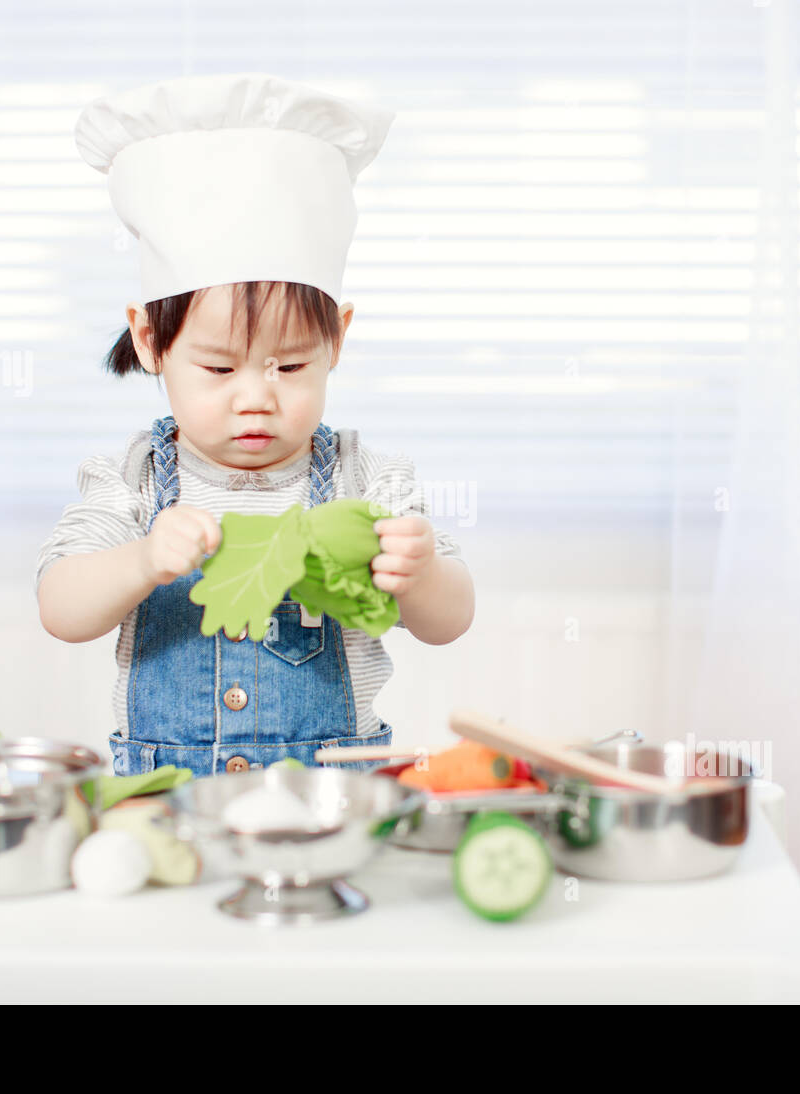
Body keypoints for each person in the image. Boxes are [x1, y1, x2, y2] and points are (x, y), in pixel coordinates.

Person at [35, 73, 474, 777]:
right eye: (217, 370)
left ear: (337, 340)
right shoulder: (137, 479)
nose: (255, 399)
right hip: (170, 798)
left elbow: (449, 620)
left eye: (290, 366)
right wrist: (143, 560)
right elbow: (60, 605)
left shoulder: (366, 478)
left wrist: (418, 575)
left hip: (332, 804)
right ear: (150, 340)